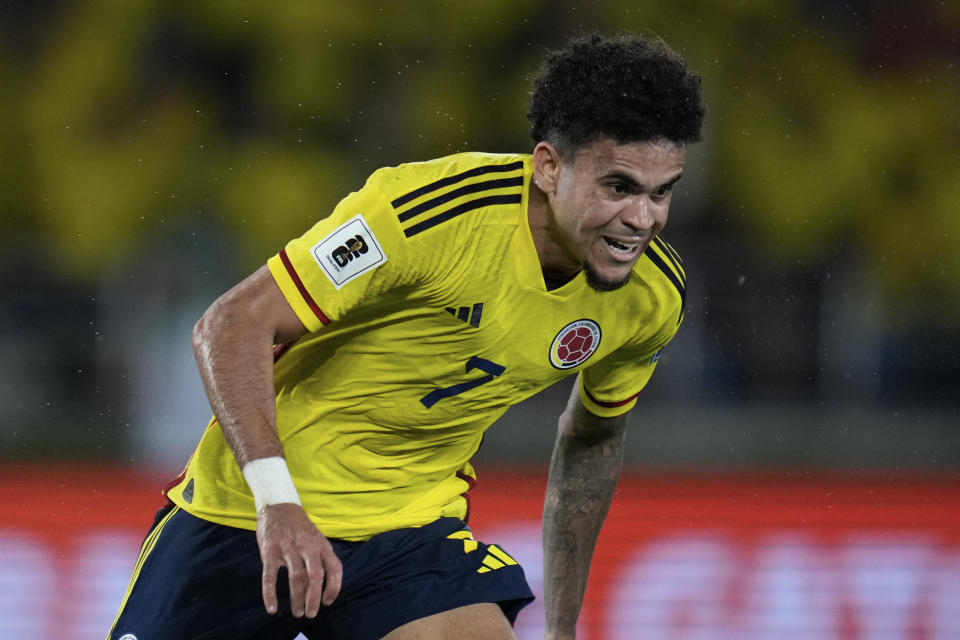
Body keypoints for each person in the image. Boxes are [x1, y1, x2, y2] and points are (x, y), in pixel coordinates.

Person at [108, 31, 705, 640]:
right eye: (619, 187)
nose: (642, 219)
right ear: (549, 167)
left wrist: (562, 627)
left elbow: (593, 440)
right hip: (250, 515)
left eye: (662, 193)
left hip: (409, 535)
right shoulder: (430, 214)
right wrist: (277, 503)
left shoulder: (652, 297)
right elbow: (232, 324)